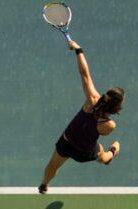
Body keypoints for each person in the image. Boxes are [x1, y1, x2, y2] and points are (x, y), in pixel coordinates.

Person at [38, 40, 124, 194]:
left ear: (107, 95)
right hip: (83, 151)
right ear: (116, 107)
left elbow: (85, 74)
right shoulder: (110, 124)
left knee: (53, 165)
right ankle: (113, 152)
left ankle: (44, 185)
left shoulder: (92, 99)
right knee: (104, 157)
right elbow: (102, 133)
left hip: (67, 141)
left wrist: (78, 50)